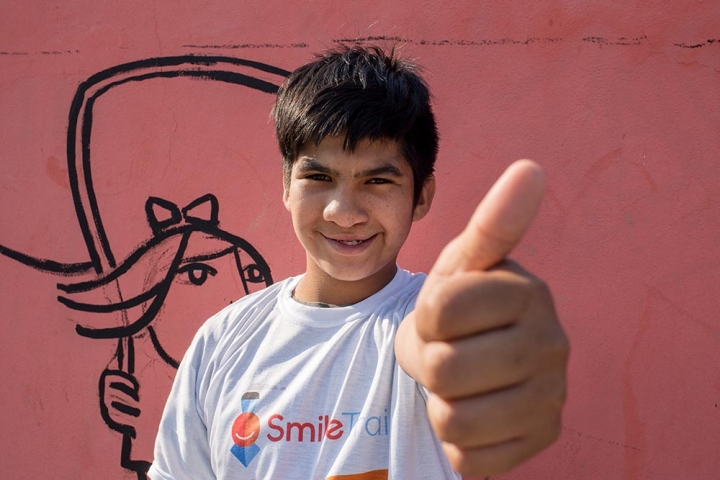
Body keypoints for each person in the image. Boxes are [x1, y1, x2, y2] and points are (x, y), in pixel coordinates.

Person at [148, 44, 569, 480]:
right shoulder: (221, 341)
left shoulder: (432, 319)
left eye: (378, 180)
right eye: (319, 177)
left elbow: (429, 348)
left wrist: (470, 362)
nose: (344, 212)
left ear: (421, 196)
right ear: (287, 186)